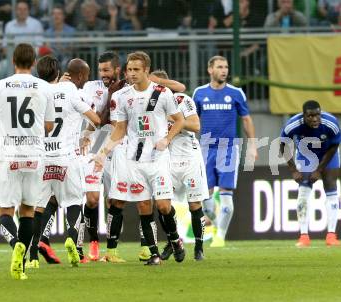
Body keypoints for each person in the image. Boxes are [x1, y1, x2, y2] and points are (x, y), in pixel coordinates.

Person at [93, 51, 185, 265]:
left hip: (158, 158)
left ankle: (174, 239)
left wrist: (167, 139)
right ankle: (154, 254)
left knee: (163, 206)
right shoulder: (121, 97)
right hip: (134, 159)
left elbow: (179, 120)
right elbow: (120, 130)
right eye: (129, 70)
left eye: (136, 70)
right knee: (144, 206)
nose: (132, 74)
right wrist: (102, 153)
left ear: (146, 71)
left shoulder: (162, 93)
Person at [0, 43, 55, 280]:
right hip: (35, 155)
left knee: (5, 211)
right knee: (27, 211)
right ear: (34, 62)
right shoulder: (45, 87)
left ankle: (16, 244)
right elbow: (49, 126)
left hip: (8, 154)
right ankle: (22, 263)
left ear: (13, 61)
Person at [26, 56, 101, 268]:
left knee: (38, 207)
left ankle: (32, 258)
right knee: (74, 202)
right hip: (67, 157)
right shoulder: (70, 91)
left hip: (42, 158)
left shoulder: (34, 93)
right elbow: (95, 120)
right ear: (58, 72)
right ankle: (71, 237)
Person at [192, 55, 257, 248]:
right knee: (206, 201)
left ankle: (220, 236)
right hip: (205, 149)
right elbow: (192, 120)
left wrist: (252, 145)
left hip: (229, 148)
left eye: (226, 67)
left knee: (226, 193)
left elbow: (246, 119)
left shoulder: (236, 93)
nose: (224, 70)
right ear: (210, 70)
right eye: (220, 67)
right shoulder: (199, 93)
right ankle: (213, 226)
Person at [151, 70, 208, 261]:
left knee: (194, 204)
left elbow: (196, 125)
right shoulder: (150, 105)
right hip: (166, 158)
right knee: (163, 204)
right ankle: (173, 241)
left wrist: (172, 119)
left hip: (189, 156)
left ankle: (199, 248)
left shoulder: (182, 99)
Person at [279, 100, 341, 248]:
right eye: (310, 116)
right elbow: (282, 145)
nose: (314, 119)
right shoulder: (293, 124)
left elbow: (334, 145)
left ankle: (331, 236)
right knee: (303, 190)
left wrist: (319, 170)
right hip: (305, 155)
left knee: (331, 187)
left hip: (328, 153)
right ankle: (304, 236)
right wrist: (293, 170)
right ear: (303, 116)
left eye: (317, 115)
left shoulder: (331, 122)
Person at [78, 51, 122, 261]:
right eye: (101, 70)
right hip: (94, 145)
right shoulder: (90, 87)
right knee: (93, 199)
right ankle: (94, 243)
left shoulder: (125, 88)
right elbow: (87, 113)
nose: (103, 74)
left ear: (117, 69)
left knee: (114, 199)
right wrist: (86, 132)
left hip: (117, 146)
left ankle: (111, 249)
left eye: (107, 70)